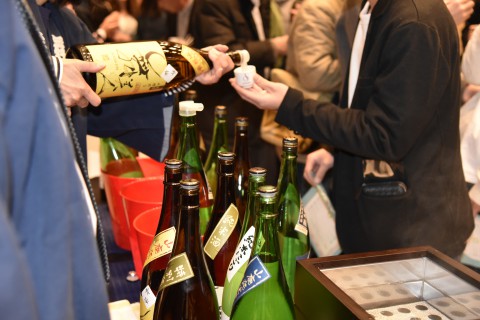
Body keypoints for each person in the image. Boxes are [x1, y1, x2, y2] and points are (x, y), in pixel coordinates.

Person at [230, 0, 474, 258]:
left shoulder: (414, 21)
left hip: (411, 232)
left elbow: (385, 134)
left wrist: (290, 104)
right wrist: (333, 151)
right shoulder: (372, 10)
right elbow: (370, 106)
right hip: (382, 221)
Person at [1, 0, 110, 318]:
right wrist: (50, 73)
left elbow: (112, 71)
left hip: (64, 214)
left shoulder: (60, 17)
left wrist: (193, 66)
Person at [192, 0, 289, 185]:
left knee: (262, 186)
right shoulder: (213, 4)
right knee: (227, 190)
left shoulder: (264, 5)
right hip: (225, 116)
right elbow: (223, 57)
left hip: (258, 114)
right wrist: (274, 47)